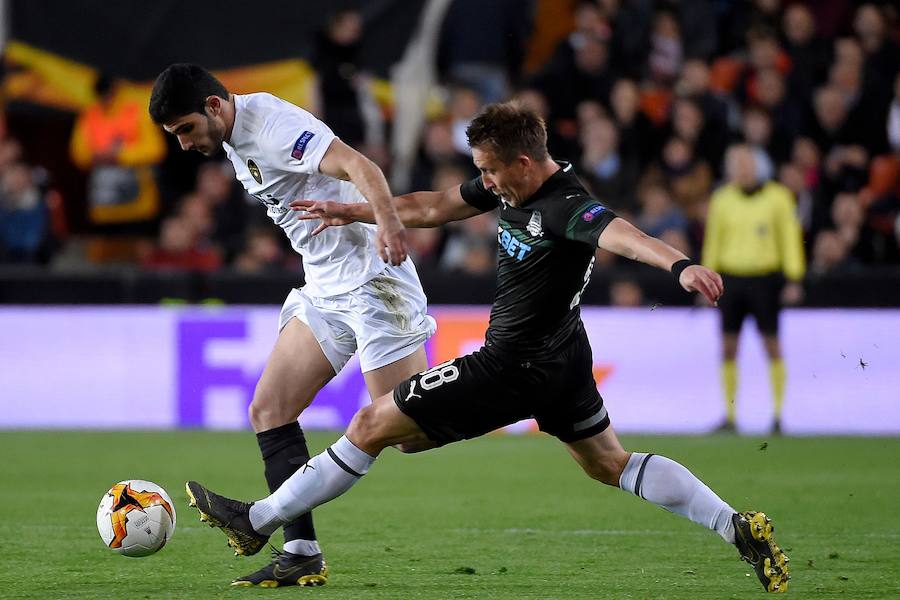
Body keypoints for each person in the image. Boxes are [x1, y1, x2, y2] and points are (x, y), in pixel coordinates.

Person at [185, 102, 791, 594]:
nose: (487, 182)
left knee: (372, 422)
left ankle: (259, 521)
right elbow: (434, 205)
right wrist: (353, 210)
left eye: (493, 171)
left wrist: (680, 265)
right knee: (611, 464)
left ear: (524, 162)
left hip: (510, 364)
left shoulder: (565, 205)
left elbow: (623, 235)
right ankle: (735, 526)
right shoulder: (512, 187)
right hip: (563, 360)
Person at [148, 64, 436, 588]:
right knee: (269, 409)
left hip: (373, 283)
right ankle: (301, 551)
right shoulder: (231, 136)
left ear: (214, 107)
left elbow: (361, 165)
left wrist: (390, 225)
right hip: (325, 290)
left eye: (186, 129)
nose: (185, 145)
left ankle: (499, 388)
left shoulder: (274, 127)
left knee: (409, 436)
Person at [702, 144, 806, 434]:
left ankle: (777, 415)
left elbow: (789, 239)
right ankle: (731, 416)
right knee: (728, 347)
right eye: (735, 165)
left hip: (765, 280)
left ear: (758, 167)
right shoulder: (722, 199)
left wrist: (794, 278)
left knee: (771, 345)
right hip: (731, 279)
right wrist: (706, 278)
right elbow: (714, 241)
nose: (741, 170)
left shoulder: (778, 197)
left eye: (745, 164)